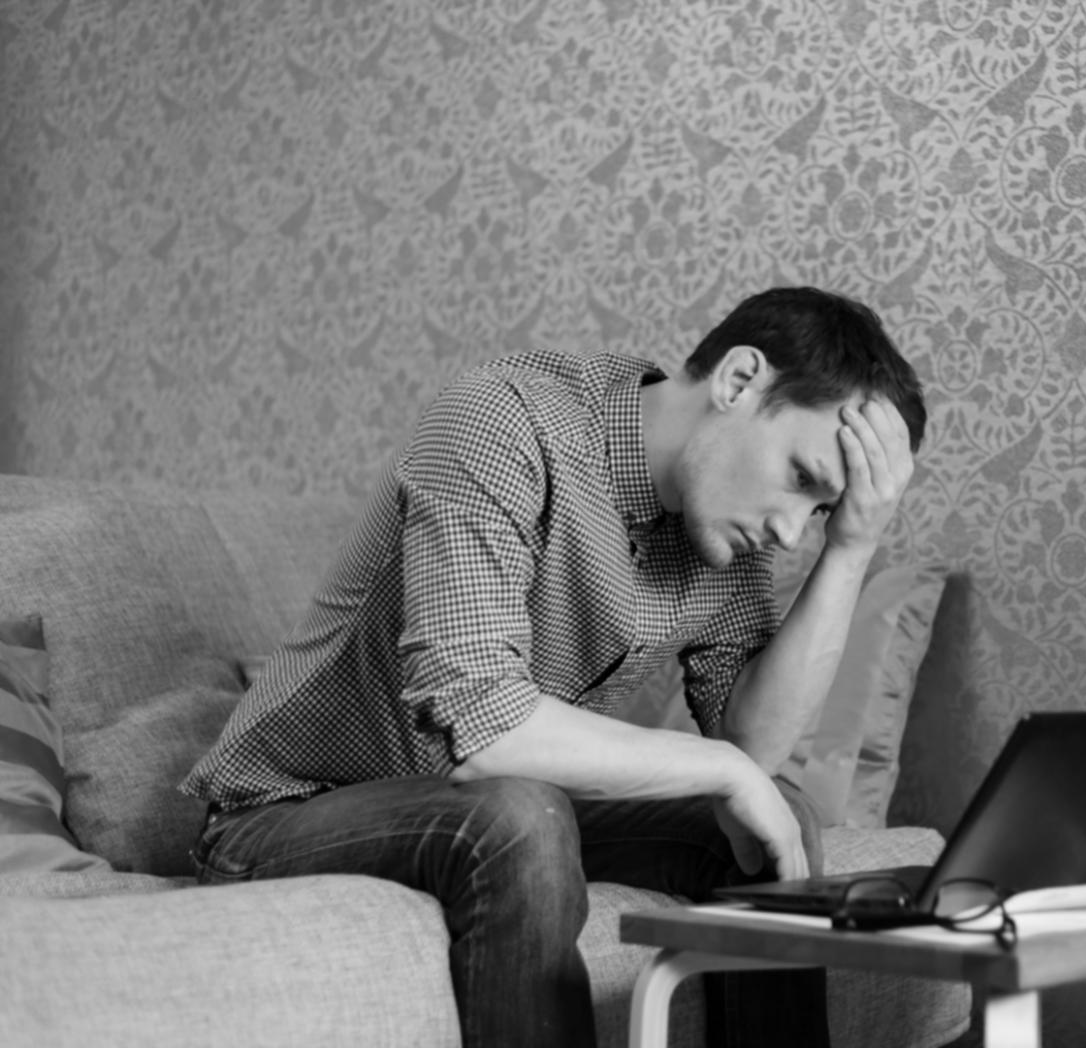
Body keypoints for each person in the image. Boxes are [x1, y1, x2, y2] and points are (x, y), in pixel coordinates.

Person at [180, 286, 928, 1048]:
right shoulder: (503, 418)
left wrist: (852, 546)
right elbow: (483, 728)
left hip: (483, 803)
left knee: (779, 825)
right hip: (287, 814)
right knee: (520, 815)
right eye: (803, 480)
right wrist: (725, 769)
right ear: (738, 382)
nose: (788, 531)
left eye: (819, 514)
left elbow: (755, 748)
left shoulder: (726, 529)